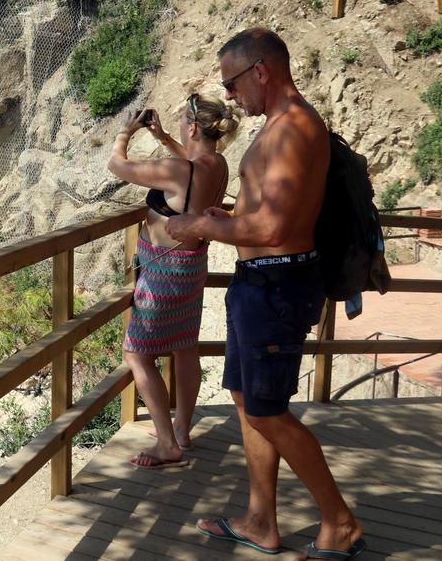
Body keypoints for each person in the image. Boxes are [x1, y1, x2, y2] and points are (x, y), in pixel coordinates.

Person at [166, 28, 366, 560]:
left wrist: (200, 227)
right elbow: (272, 215)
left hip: (277, 284)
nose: (229, 96)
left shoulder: (293, 128)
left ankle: (340, 522)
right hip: (260, 282)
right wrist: (229, 216)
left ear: (261, 71)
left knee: (268, 411)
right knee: (247, 401)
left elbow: (275, 230)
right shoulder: (280, 126)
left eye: (232, 82)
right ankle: (260, 520)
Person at [108, 94, 237, 469]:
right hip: (192, 264)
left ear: (193, 127)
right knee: (184, 345)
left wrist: (125, 131)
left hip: (164, 269)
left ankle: (167, 444)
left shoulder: (178, 170)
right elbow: (191, 165)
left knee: (136, 352)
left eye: (182, 121)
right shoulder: (218, 164)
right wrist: (164, 138)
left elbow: (117, 164)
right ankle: (181, 428)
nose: (181, 125)